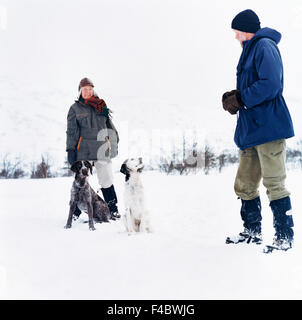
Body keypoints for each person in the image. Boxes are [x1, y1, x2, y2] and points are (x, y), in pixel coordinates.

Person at [222, 10, 295, 251]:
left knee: (274, 183)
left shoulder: (264, 45)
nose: (235, 37)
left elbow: (272, 84)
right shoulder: (249, 50)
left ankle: (284, 237)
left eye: (237, 32)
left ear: (246, 29)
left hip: (269, 126)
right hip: (251, 130)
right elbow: (252, 89)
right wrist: (236, 98)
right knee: (244, 185)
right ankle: (251, 232)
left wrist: (242, 97)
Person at [66, 77, 121, 220]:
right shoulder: (75, 109)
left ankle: (113, 209)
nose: (88, 92)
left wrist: (114, 143)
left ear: (93, 90)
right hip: (84, 150)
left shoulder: (101, 106)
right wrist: (71, 150)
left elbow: (109, 126)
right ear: (80, 91)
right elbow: (71, 132)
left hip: (102, 149)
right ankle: (76, 213)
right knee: (81, 182)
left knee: (107, 179)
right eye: (85, 89)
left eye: (90, 89)